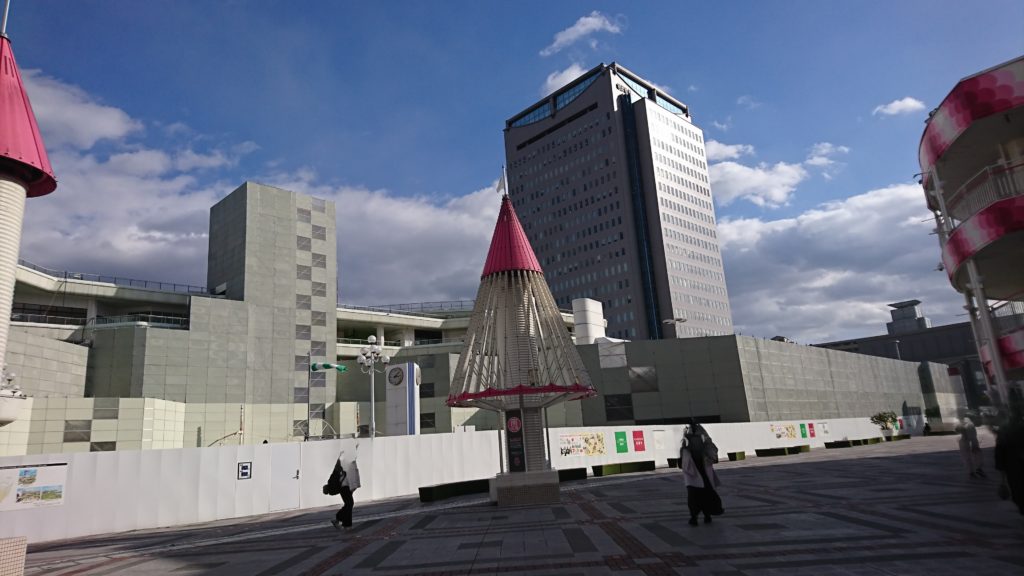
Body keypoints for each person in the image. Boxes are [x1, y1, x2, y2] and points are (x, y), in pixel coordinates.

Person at [679, 420, 723, 526]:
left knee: (700, 495)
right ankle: (699, 516)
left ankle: (700, 516)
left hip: (700, 473)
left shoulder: (692, 445)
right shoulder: (689, 446)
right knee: (699, 495)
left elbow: (712, 451)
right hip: (696, 473)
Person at [995, 405, 1024, 515]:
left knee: (1018, 492)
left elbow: (999, 453)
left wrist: (1002, 477)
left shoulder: (1004, 430)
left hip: (1013, 468)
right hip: (1014, 466)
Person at [327, 447, 361, 531]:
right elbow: (349, 474)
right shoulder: (346, 459)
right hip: (344, 485)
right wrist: (353, 486)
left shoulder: (349, 459)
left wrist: (354, 485)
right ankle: (344, 523)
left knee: (348, 504)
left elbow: (353, 473)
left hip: (347, 485)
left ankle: (342, 522)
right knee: (349, 503)